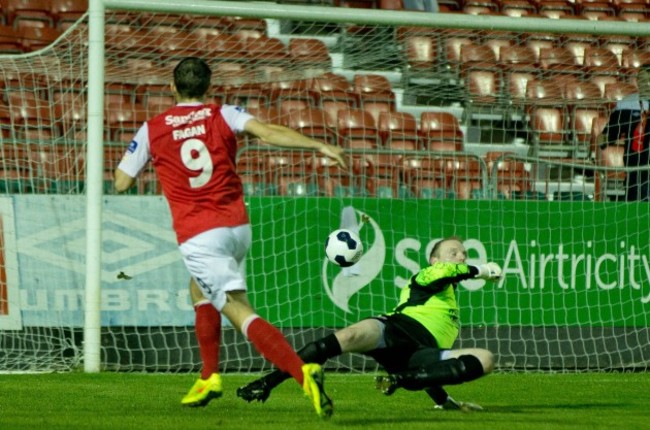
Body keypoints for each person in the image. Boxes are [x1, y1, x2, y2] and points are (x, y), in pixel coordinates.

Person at [113, 57, 347, 419]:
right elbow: (268, 131)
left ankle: (303, 373)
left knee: (237, 308)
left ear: (172, 87)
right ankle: (208, 376)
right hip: (237, 226)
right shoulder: (225, 113)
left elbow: (122, 182)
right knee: (198, 288)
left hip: (198, 232)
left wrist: (158, 160)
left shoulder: (152, 128)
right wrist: (319, 146)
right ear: (209, 87)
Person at [237, 237, 500, 411]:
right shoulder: (427, 276)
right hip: (393, 329)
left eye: (464, 254)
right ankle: (267, 382)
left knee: (485, 359)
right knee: (348, 336)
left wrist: (445, 401)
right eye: (454, 252)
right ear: (434, 260)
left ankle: (398, 379)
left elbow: (431, 370)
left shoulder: (451, 306)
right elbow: (446, 272)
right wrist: (483, 270)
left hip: (419, 354)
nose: (461, 257)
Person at [599, 64, 650, 201]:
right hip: (636, 167)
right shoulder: (627, 104)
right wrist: (597, 144)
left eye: (649, 80)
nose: (646, 84)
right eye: (642, 80)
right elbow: (610, 133)